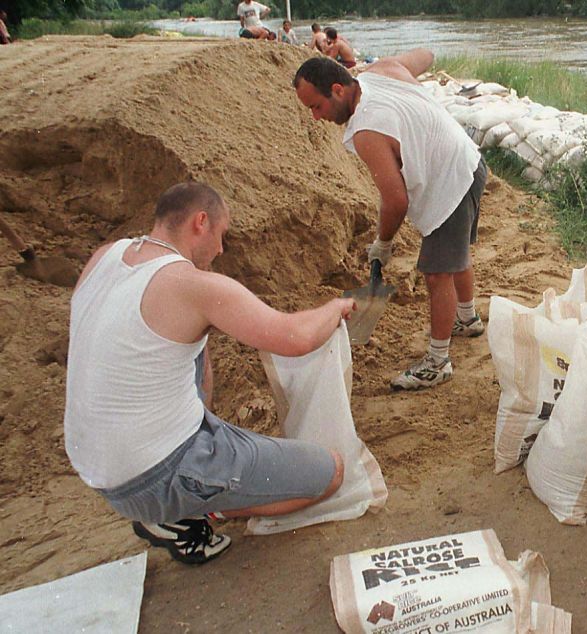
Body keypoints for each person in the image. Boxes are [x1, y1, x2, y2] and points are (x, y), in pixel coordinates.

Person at [64, 182, 355, 565]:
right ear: (200, 222)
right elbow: (295, 337)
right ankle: (185, 514)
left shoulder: (107, 255)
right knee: (329, 472)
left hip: (97, 464)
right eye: (221, 235)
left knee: (195, 342)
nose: (220, 249)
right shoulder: (191, 286)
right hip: (155, 476)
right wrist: (335, 307)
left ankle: (190, 484)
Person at [292, 51, 488, 391]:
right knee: (455, 256)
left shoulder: (367, 128)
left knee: (437, 271)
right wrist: (370, 69)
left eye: (316, 107)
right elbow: (426, 55)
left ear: (338, 89)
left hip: (448, 183)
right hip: (469, 162)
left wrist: (383, 243)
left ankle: (438, 361)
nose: (315, 117)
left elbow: (396, 200)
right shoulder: (381, 71)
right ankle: (467, 318)